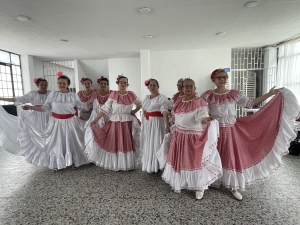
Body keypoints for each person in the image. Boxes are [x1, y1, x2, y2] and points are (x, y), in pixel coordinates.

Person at [201, 68, 300, 200]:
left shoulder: (234, 93)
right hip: (213, 130)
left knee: (230, 156)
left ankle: (233, 185)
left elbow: (250, 103)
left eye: (225, 77)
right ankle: (208, 181)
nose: (223, 79)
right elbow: (200, 110)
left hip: (230, 130)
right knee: (212, 154)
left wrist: (269, 94)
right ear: (213, 80)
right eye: (219, 77)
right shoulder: (207, 95)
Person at [157, 78, 223, 199]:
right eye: (186, 86)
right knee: (181, 161)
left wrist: (206, 120)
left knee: (195, 161)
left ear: (194, 88)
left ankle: (200, 186)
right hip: (179, 135)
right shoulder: (178, 101)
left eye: (191, 86)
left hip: (193, 137)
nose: (188, 89)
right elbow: (175, 117)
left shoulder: (199, 101)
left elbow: (202, 117)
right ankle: (183, 182)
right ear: (182, 88)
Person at [19, 72, 91, 172]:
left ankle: (76, 161)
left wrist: (91, 104)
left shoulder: (73, 95)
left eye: (64, 83)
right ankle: (56, 163)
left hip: (71, 122)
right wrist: (31, 107)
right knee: (56, 143)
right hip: (56, 123)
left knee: (73, 142)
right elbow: (45, 108)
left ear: (68, 85)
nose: (61, 85)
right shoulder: (53, 94)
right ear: (57, 84)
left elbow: (81, 106)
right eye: (60, 83)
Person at [85, 75, 142, 171]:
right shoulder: (113, 94)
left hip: (128, 121)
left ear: (127, 84)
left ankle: (127, 164)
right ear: (118, 83)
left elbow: (140, 104)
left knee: (127, 142)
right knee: (116, 142)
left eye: (125, 82)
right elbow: (105, 109)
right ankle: (117, 164)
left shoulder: (131, 94)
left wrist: (134, 111)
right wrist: (95, 120)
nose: (123, 84)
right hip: (115, 122)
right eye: (121, 82)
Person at [0, 78, 51, 154]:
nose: (44, 86)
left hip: (49, 116)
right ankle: (39, 151)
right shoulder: (32, 94)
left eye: (45, 85)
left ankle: (50, 149)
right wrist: (1, 98)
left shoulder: (51, 93)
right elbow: (18, 99)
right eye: (41, 85)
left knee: (50, 133)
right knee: (37, 133)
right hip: (36, 116)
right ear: (37, 85)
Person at [141, 78, 169, 173]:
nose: (152, 87)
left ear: (158, 87)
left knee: (157, 142)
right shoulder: (146, 98)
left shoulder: (162, 98)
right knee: (149, 142)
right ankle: (151, 165)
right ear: (148, 87)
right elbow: (144, 110)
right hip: (149, 123)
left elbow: (165, 112)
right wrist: (146, 118)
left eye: (154, 85)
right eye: (151, 85)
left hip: (158, 123)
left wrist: (167, 125)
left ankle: (159, 165)